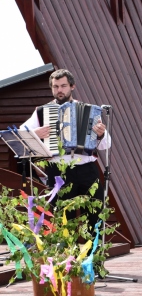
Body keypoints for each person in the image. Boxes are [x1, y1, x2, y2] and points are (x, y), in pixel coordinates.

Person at [20, 69, 110, 229]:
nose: (59, 90)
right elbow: (21, 136)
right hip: (58, 171)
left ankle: (93, 252)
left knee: (95, 213)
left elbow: (105, 145)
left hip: (87, 169)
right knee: (61, 217)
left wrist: (101, 134)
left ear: (72, 86)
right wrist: (35, 133)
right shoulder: (42, 111)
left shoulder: (90, 110)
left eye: (63, 86)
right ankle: (66, 253)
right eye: (55, 87)